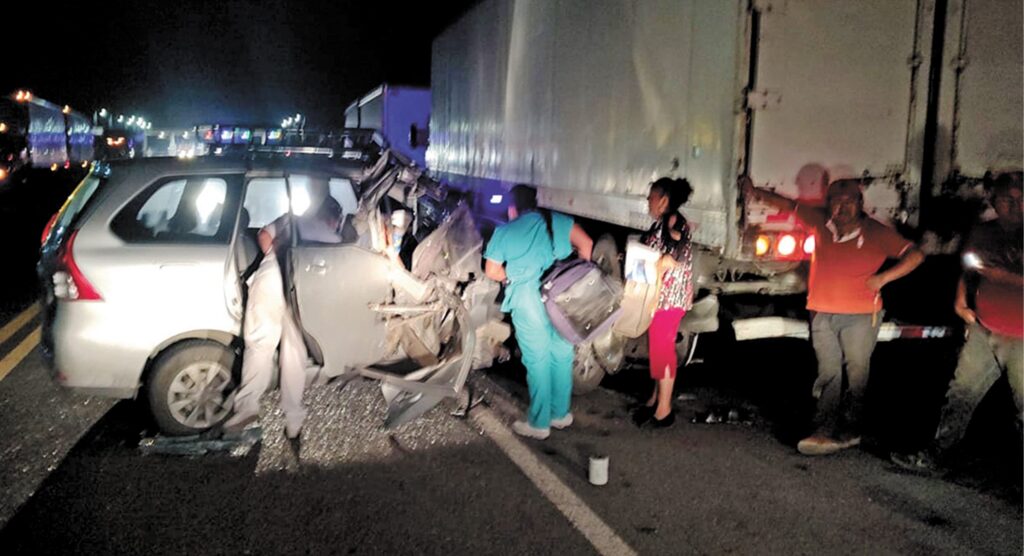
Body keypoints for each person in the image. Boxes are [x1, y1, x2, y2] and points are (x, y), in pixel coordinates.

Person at [742, 175, 925, 455]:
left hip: (861, 315)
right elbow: (788, 206)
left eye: (849, 202)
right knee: (828, 372)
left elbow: (915, 255)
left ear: (860, 204)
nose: (842, 208)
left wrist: (883, 278)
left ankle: (851, 430)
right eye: (836, 202)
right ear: (828, 204)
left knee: (856, 372)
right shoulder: (818, 222)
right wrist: (755, 193)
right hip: (822, 313)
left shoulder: (876, 233)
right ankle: (824, 429)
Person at [892, 171, 1023, 473]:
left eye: (1021, 199)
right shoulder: (983, 232)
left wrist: (1006, 278)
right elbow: (969, 267)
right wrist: (960, 301)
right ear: (994, 202)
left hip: (1021, 336)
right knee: (960, 394)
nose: (1015, 206)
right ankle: (938, 456)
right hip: (984, 328)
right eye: (1007, 199)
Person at [224, 182, 343, 440]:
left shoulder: (291, 220)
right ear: (333, 219)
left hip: (271, 278)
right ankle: (293, 419)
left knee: (259, 345)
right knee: (294, 354)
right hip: (302, 295)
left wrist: (277, 253)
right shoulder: (333, 238)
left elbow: (263, 236)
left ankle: (247, 408)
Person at [484, 184, 593, 439]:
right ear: (535, 202)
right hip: (563, 297)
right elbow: (586, 243)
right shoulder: (558, 221)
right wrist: (579, 274)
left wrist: (509, 277)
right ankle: (560, 414)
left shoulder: (505, 231)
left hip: (528, 299)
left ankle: (539, 423)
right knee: (562, 353)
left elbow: (492, 271)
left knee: (537, 359)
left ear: (513, 207)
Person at [632, 177, 695, 428]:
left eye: (652, 195)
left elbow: (674, 256)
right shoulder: (662, 223)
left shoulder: (674, 222)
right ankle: (656, 399)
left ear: (664, 200)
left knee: (663, 349)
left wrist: (656, 264)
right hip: (660, 297)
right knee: (657, 348)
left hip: (669, 298)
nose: (649, 200)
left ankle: (664, 410)